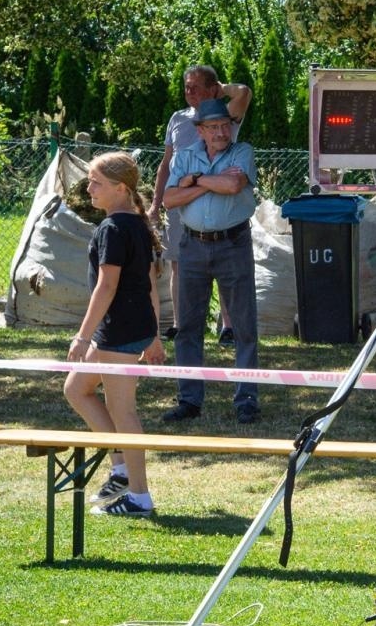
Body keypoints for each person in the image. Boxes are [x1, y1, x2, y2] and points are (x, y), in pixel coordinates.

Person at [65, 152, 166, 518]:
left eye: (97, 183)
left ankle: (140, 497)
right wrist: (153, 334)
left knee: (123, 411)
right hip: (128, 328)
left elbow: (107, 287)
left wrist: (82, 336)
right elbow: (149, 284)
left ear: (121, 189)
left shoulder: (114, 228)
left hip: (119, 331)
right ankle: (121, 468)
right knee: (76, 389)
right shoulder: (136, 223)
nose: (89, 188)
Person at [161, 96, 260, 424]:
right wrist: (205, 183)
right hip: (192, 247)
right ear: (200, 131)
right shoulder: (185, 155)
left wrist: (197, 180)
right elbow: (169, 198)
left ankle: (247, 398)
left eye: (225, 125)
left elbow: (233, 184)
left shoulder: (242, 152)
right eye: (213, 127)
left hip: (233, 244)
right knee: (188, 326)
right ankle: (189, 399)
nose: (221, 132)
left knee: (244, 325)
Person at [151, 66, 250, 342]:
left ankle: (228, 327)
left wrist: (222, 89)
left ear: (212, 88)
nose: (189, 92)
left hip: (217, 201)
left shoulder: (224, 114)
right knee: (178, 265)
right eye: (186, 86)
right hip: (181, 203)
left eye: (195, 86)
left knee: (222, 267)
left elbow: (244, 92)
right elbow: (165, 165)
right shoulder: (177, 119)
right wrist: (156, 203)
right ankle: (182, 324)